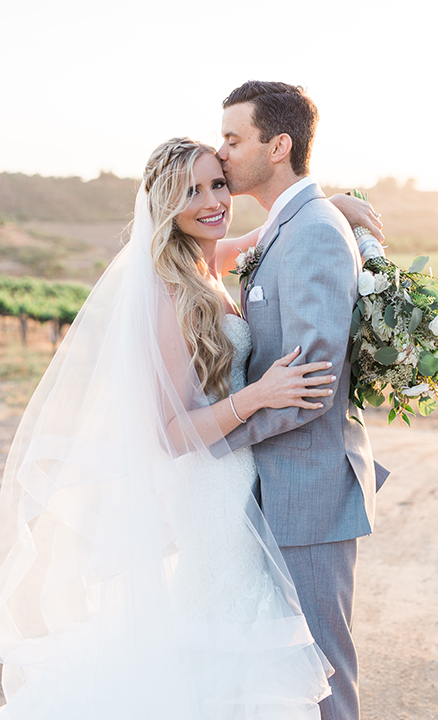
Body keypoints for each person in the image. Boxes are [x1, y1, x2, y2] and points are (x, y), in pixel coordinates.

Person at [0, 137, 376, 719]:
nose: (211, 201)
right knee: (223, 639)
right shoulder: (169, 288)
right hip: (210, 492)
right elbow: (170, 433)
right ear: (164, 205)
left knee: (233, 638)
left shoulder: (205, 260)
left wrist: (330, 206)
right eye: (190, 191)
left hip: (237, 479)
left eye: (217, 184)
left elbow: (268, 236)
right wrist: (257, 396)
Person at [211, 81, 390, 720]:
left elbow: (310, 387)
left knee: (321, 675)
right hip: (278, 488)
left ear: (278, 144)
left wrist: (211, 437)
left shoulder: (309, 231)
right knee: (281, 671)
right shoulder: (293, 224)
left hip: (307, 491)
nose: (221, 152)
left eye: (233, 139)